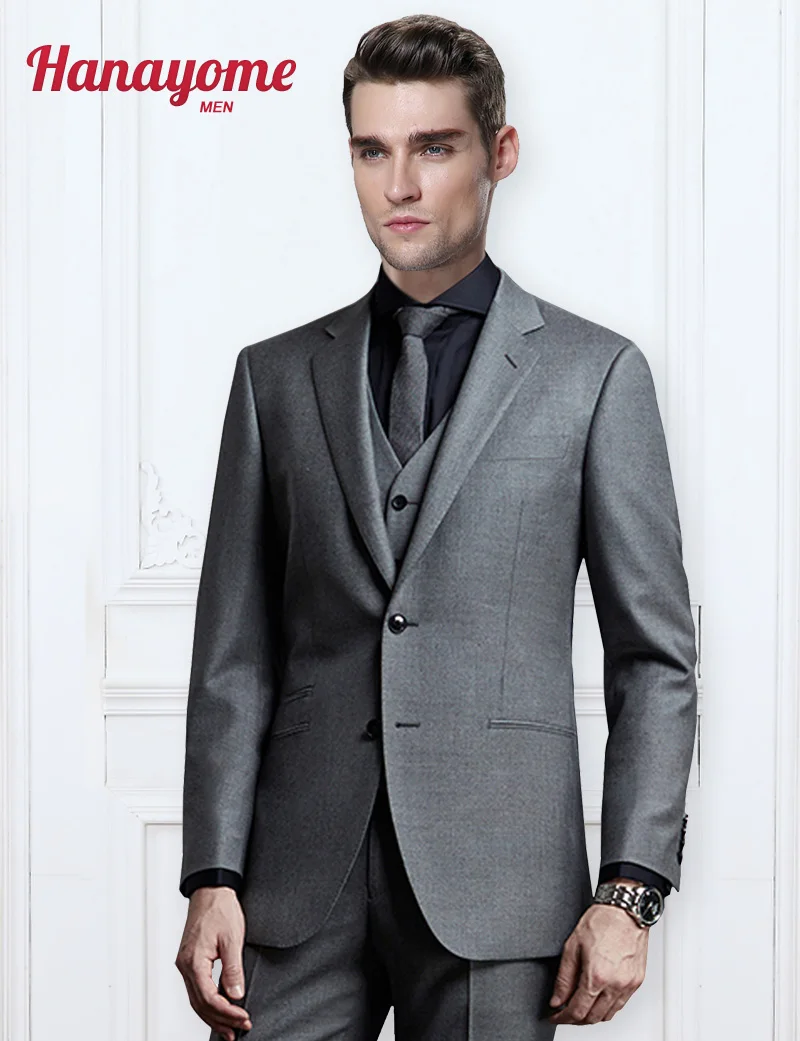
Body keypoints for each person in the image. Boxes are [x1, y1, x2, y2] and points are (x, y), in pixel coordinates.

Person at [174, 14, 697, 1040]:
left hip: (500, 890)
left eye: (434, 147)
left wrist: (630, 891)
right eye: (372, 151)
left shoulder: (594, 376)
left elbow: (655, 658)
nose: (400, 185)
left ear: (500, 153)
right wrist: (213, 872)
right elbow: (233, 657)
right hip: (295, 886)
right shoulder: (274, 378)